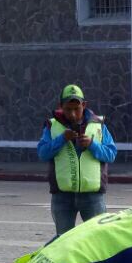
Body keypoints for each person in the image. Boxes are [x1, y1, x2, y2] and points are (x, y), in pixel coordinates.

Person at [37, 84, 117, 235]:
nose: (73, 114)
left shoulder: (98, 125)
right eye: (68, 109)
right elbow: (42, 153)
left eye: (77, 109)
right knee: (64, 241)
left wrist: (92, 145)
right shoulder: (52, 126)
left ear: (84, 105)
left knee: (98, 240)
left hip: (92, 196)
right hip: (62, 196)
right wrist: (62, 139)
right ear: (61, 106)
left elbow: (111, 154)